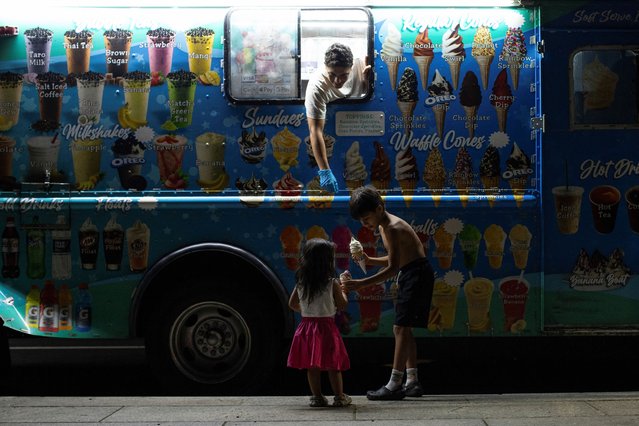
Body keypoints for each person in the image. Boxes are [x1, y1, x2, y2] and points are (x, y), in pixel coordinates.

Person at [342, 186, 434, 400]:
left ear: (379, 208)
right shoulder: (385, 225)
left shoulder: (391, 227)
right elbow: (399, 256)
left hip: (416, 275)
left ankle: (394, 384)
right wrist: (370, 260)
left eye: (366, 219)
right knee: (404, 328)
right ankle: (412, 381)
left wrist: (360, 284)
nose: (365, 224)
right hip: (413, 271)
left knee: (400, 328)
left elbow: (393, 268)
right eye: (361, 222)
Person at [287, 238, 352, 407]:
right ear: (327, 262)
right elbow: (342, 304)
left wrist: (307, 311)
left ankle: (317, 397)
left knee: (312, 365)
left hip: (306, 328)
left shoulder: (301, 283)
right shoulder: (332, 283)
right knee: (333, 364)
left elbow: (292, 304)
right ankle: (339, 397)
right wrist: (345, 288)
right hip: (327, 328)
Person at [305, 43, 370, 193]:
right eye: (332, 74)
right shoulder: (317, 86)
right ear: (325, 67)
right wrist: (325, 171)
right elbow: (315, 131)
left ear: (351, 67)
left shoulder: (360, 65)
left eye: (343, 76)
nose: (336, 81)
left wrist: (367, 82)